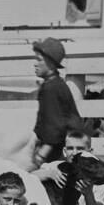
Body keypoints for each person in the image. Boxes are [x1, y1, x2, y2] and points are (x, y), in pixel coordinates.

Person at [31, 36, 83, 169]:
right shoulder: (54, 83)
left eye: (39, 60)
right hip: (61, 146)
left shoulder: (51, 88)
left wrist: (42, 154)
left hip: (59, 150)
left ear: (50, 62)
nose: (35, 63)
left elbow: (55, 125)